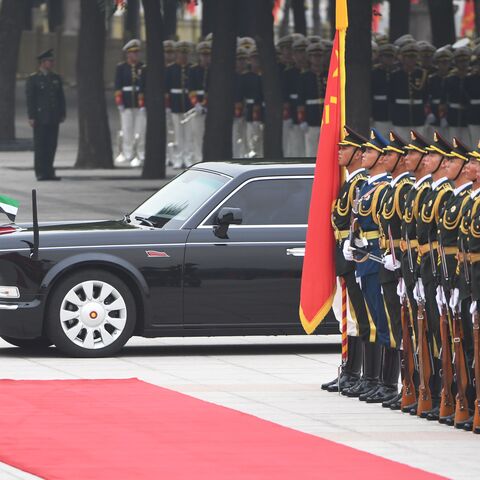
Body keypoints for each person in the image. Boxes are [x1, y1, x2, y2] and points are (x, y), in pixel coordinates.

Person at [342, 129, 390, 400]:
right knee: (370, 320)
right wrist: (352, 241)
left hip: (375, 260)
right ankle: (374, 379)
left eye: (369, 152)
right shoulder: (366, 187)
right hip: (364, 260)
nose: (363, 154)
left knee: (382, 323)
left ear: (383, 159)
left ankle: (385, 382)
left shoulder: (383, 189)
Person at [322, 126, 370, 393]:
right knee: (348, 317)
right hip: (345, 255)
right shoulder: (349, 181)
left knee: (359, 318)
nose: (339, 152)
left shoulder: (360, 182)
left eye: (345, 148)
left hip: (354, 258)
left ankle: (358, 373)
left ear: (359, 153)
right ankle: (349, 370)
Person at [437, 137, 477, 428]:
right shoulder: (468, 201)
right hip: (465, 279)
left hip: (475, 280)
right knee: (466, 346)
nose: (474, 167)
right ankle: (470, 402)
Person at [415, 132, 454, 420]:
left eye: (433, 155)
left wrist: (444, 280)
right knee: (427, 331)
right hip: (423, 268)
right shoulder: (428, 193)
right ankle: (434, 391)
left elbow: (443, 241)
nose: (427, 159)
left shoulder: (444, 195)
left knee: (447, 336)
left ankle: (450, 394)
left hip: (443, 271)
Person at [375, 131, 414, 406]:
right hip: (388, 264)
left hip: (401, 267)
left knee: (407, 329)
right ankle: (404, 386)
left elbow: (409, 231)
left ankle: (412, 387)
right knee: (395, 327)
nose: (384, 157)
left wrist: (398, 256)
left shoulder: (405, 189)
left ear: (401, 159)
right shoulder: (391, 189)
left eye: (389, 154)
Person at [399, 129, 432, 413]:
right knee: (417, 333)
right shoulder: (415, 191)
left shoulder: (436, 195)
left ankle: (450, 394)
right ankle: (424, 390)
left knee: (438, 336)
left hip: (438, 274)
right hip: (414, 269)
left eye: (413, 153)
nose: (407, 157)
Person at [26, 48, 65, 181]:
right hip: (40, 117)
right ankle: (40, 172)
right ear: (43, 62)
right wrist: (31, 116)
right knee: (40, 145)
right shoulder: (34, 79)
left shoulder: (56, 78)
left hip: (53, 117)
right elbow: (30, 99)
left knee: (51, 145)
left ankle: (49, 171)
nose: (52, 63)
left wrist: (62, 113)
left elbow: (61, 98)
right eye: (49, 61)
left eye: (52, 61)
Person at [114, 39, 146, 168]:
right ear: (127, 54)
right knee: (127, 128)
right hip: (126, 101)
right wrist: (119, 102)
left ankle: (140, 153)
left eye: (137, 53)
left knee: (140, 129)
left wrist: (144, 103)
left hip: (139, 103)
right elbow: (118, 86)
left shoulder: (142, 67)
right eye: (133, 53)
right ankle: (127, 153)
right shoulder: (122, 67)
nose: (135, 55)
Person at [388, 42, 427, 140]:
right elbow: (391, 96)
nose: (411, 60)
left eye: (414, 57)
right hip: (401, 114)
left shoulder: (421, 74)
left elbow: (425, 95)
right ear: (403, 58)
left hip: (418, 114)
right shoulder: (395, 75)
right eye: (409, 57)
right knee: (401, 144)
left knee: (418, 145)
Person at [165, 41, 193, 168]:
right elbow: (167, 90)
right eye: (181, 53)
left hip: (188, 105)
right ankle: (177, 158)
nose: (183, 56)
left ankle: (188, 157)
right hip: (175, 104)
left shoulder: (191, 69)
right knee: (177, 134)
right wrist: (168, 105)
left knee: (189, 134)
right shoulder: (170, 69)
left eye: (185, 53)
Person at [297, 42, 326, 157]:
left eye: (319, 56)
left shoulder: (328, 75)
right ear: (309, 58)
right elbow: (301, 101)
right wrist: (302, 119)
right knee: (311, 150)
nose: (317, 59)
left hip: (326, 119)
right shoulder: (304, 77)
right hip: (311, 118)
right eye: (314, 56)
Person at [440, 47, 472, 146]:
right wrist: (443, 116)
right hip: (453, 115)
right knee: (453, 144)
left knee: (468, 144)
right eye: (460, 61)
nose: (463, 64)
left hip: (469, 115)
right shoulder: (450, 79)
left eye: (465, 61)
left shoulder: (472, 78)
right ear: (456, 63)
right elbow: (443, 100)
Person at [188, 41, 211, 164]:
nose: (205, 58)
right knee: (197, 133)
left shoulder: (214, 70)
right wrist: (196, 104)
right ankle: (198, 158)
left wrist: (206, 104)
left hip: (210, 106)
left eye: (207, 55)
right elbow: (191, 89)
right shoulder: (194, 70)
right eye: (203, 55)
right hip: (197, 106)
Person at [425, 47, 453, 139]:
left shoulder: (453, 78)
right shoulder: (432, 79)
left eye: (446, 62)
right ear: (437, 64)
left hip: (451, 112)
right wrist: (429, 112)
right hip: (434, 111)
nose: (444, 65)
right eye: (441, 62)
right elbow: (427, 96)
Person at [371, 43, 397, 136]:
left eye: (391, 56)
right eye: (386, 56)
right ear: (380, 58)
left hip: (395, 113)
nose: (389, 59)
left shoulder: (396, 73)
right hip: (379, 112)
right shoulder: (374, 73)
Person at [232, 47, 249, 158]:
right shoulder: (232, 76)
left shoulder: (249, 76)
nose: (241, 62)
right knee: (235, 136)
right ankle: (236, 156)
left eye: (243, 59)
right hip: (235, 111)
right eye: (239, 59)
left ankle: (246, 156)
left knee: (248, 136)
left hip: (249, 111)